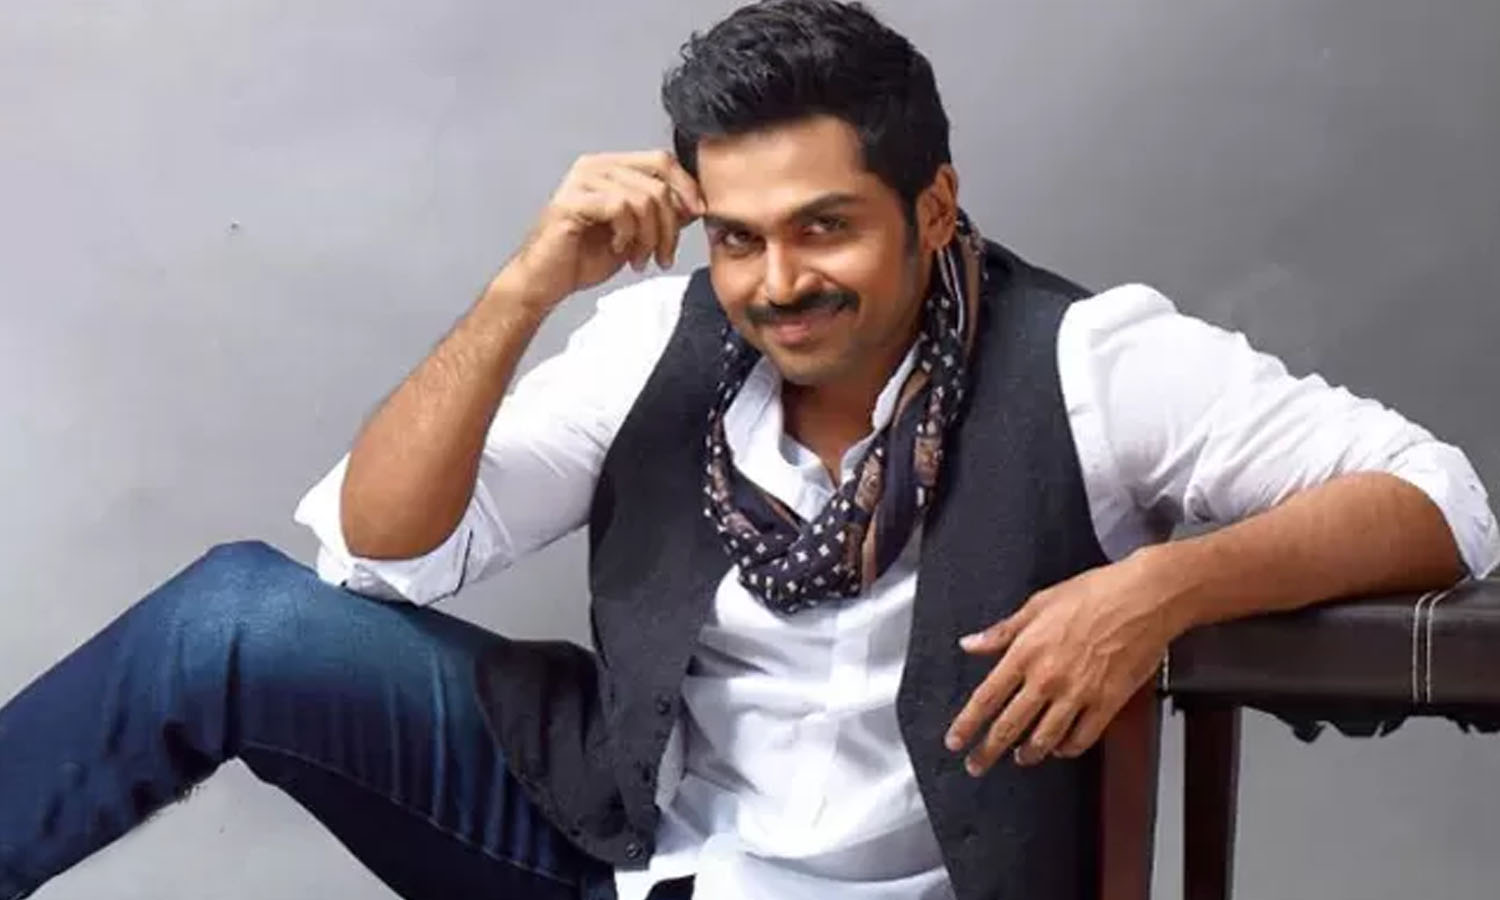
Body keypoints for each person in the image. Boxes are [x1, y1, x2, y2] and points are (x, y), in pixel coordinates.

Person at [2, 1, 1495, 898]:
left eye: (825, 227)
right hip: (628, 853)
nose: (780, 282)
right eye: (738, 238)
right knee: (234, 618)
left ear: (933, 206)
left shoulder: (1090, 362)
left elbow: (1440, 500)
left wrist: (1158, 587)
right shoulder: (655, 342)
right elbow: (383, 549)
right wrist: (525, 288)